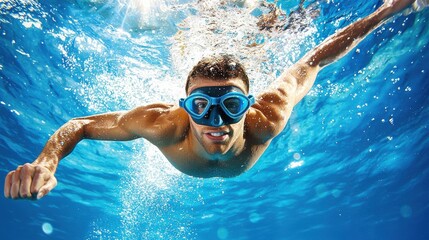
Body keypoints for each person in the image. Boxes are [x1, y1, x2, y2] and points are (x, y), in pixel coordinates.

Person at [4, 0, 417, 200]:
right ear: (183, 106)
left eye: (232, 106)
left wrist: (384, 12)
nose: (216, 119)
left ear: (249, 105)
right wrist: (47, 160)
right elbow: (82, 124)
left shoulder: (267, 118)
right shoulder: (162, 124)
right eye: (201, 105)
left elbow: (315, 60)